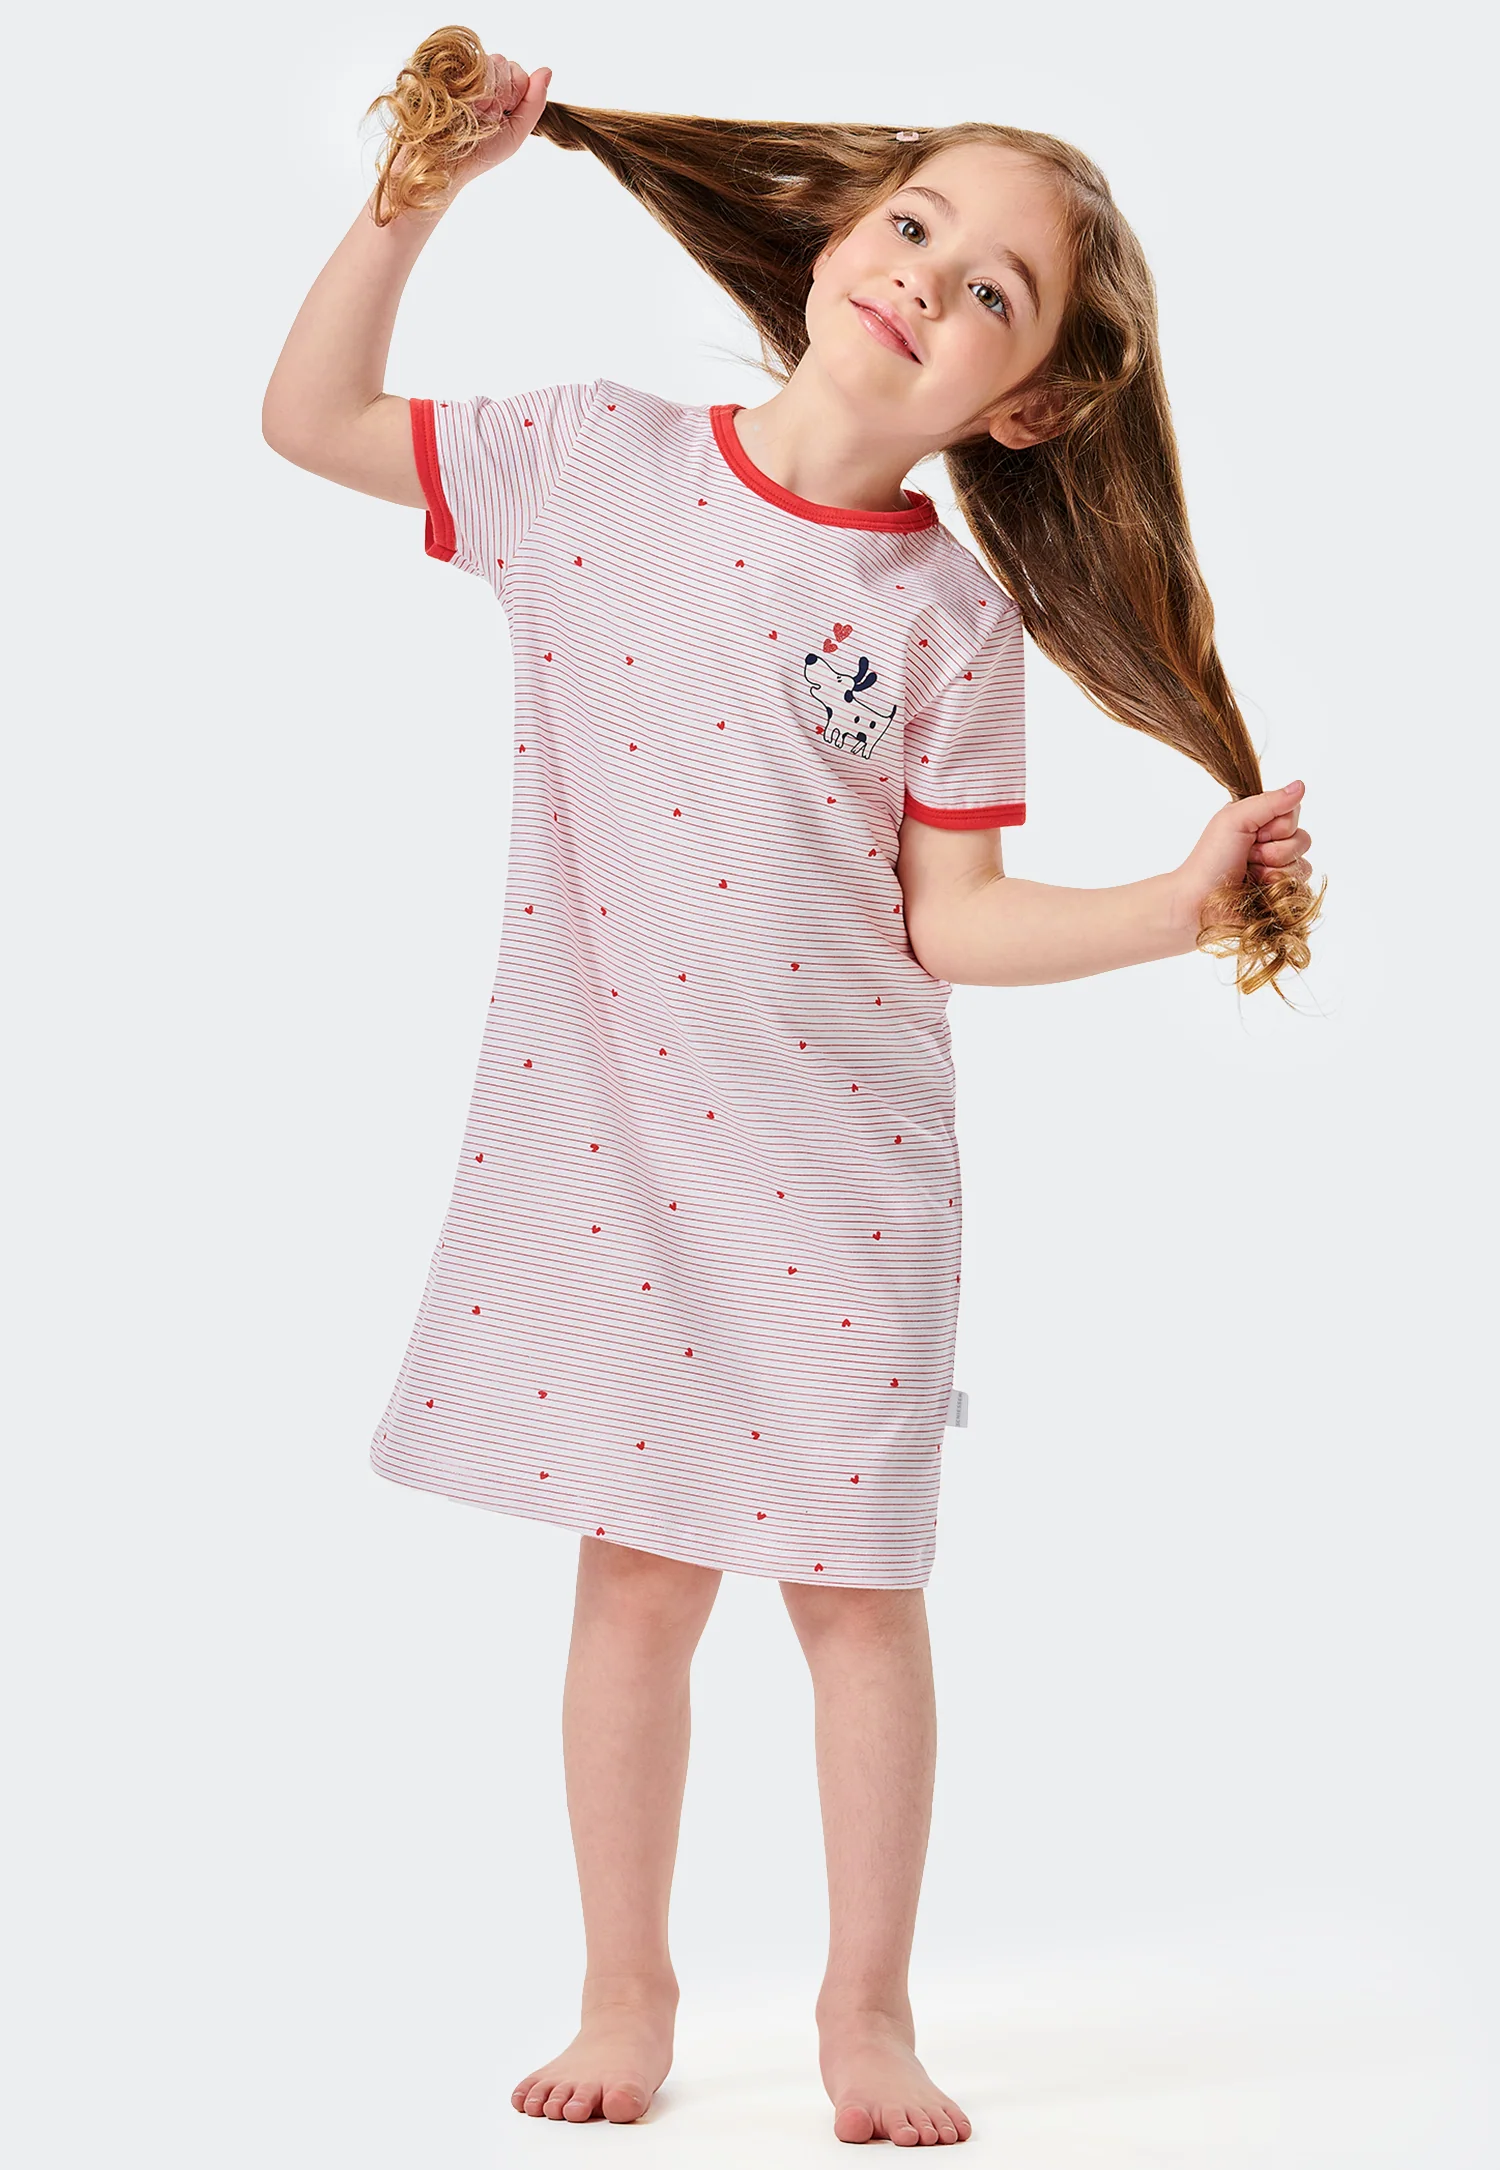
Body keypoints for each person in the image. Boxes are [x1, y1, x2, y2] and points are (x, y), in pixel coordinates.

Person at [262, 32, 1321, 2147]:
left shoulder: (944, 619)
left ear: (1024, 404)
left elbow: (955, 920)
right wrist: (416, 194)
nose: (930, 272)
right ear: (836, 235)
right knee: (638, 1579)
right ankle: (626, 1985)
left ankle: (865, 2010)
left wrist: (1180, 903)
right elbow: (310, 420)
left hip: (843, 1179)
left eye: (995, 289)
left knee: (855, 1595)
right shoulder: (591, 461)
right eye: (916, 221)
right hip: (612, 1160)